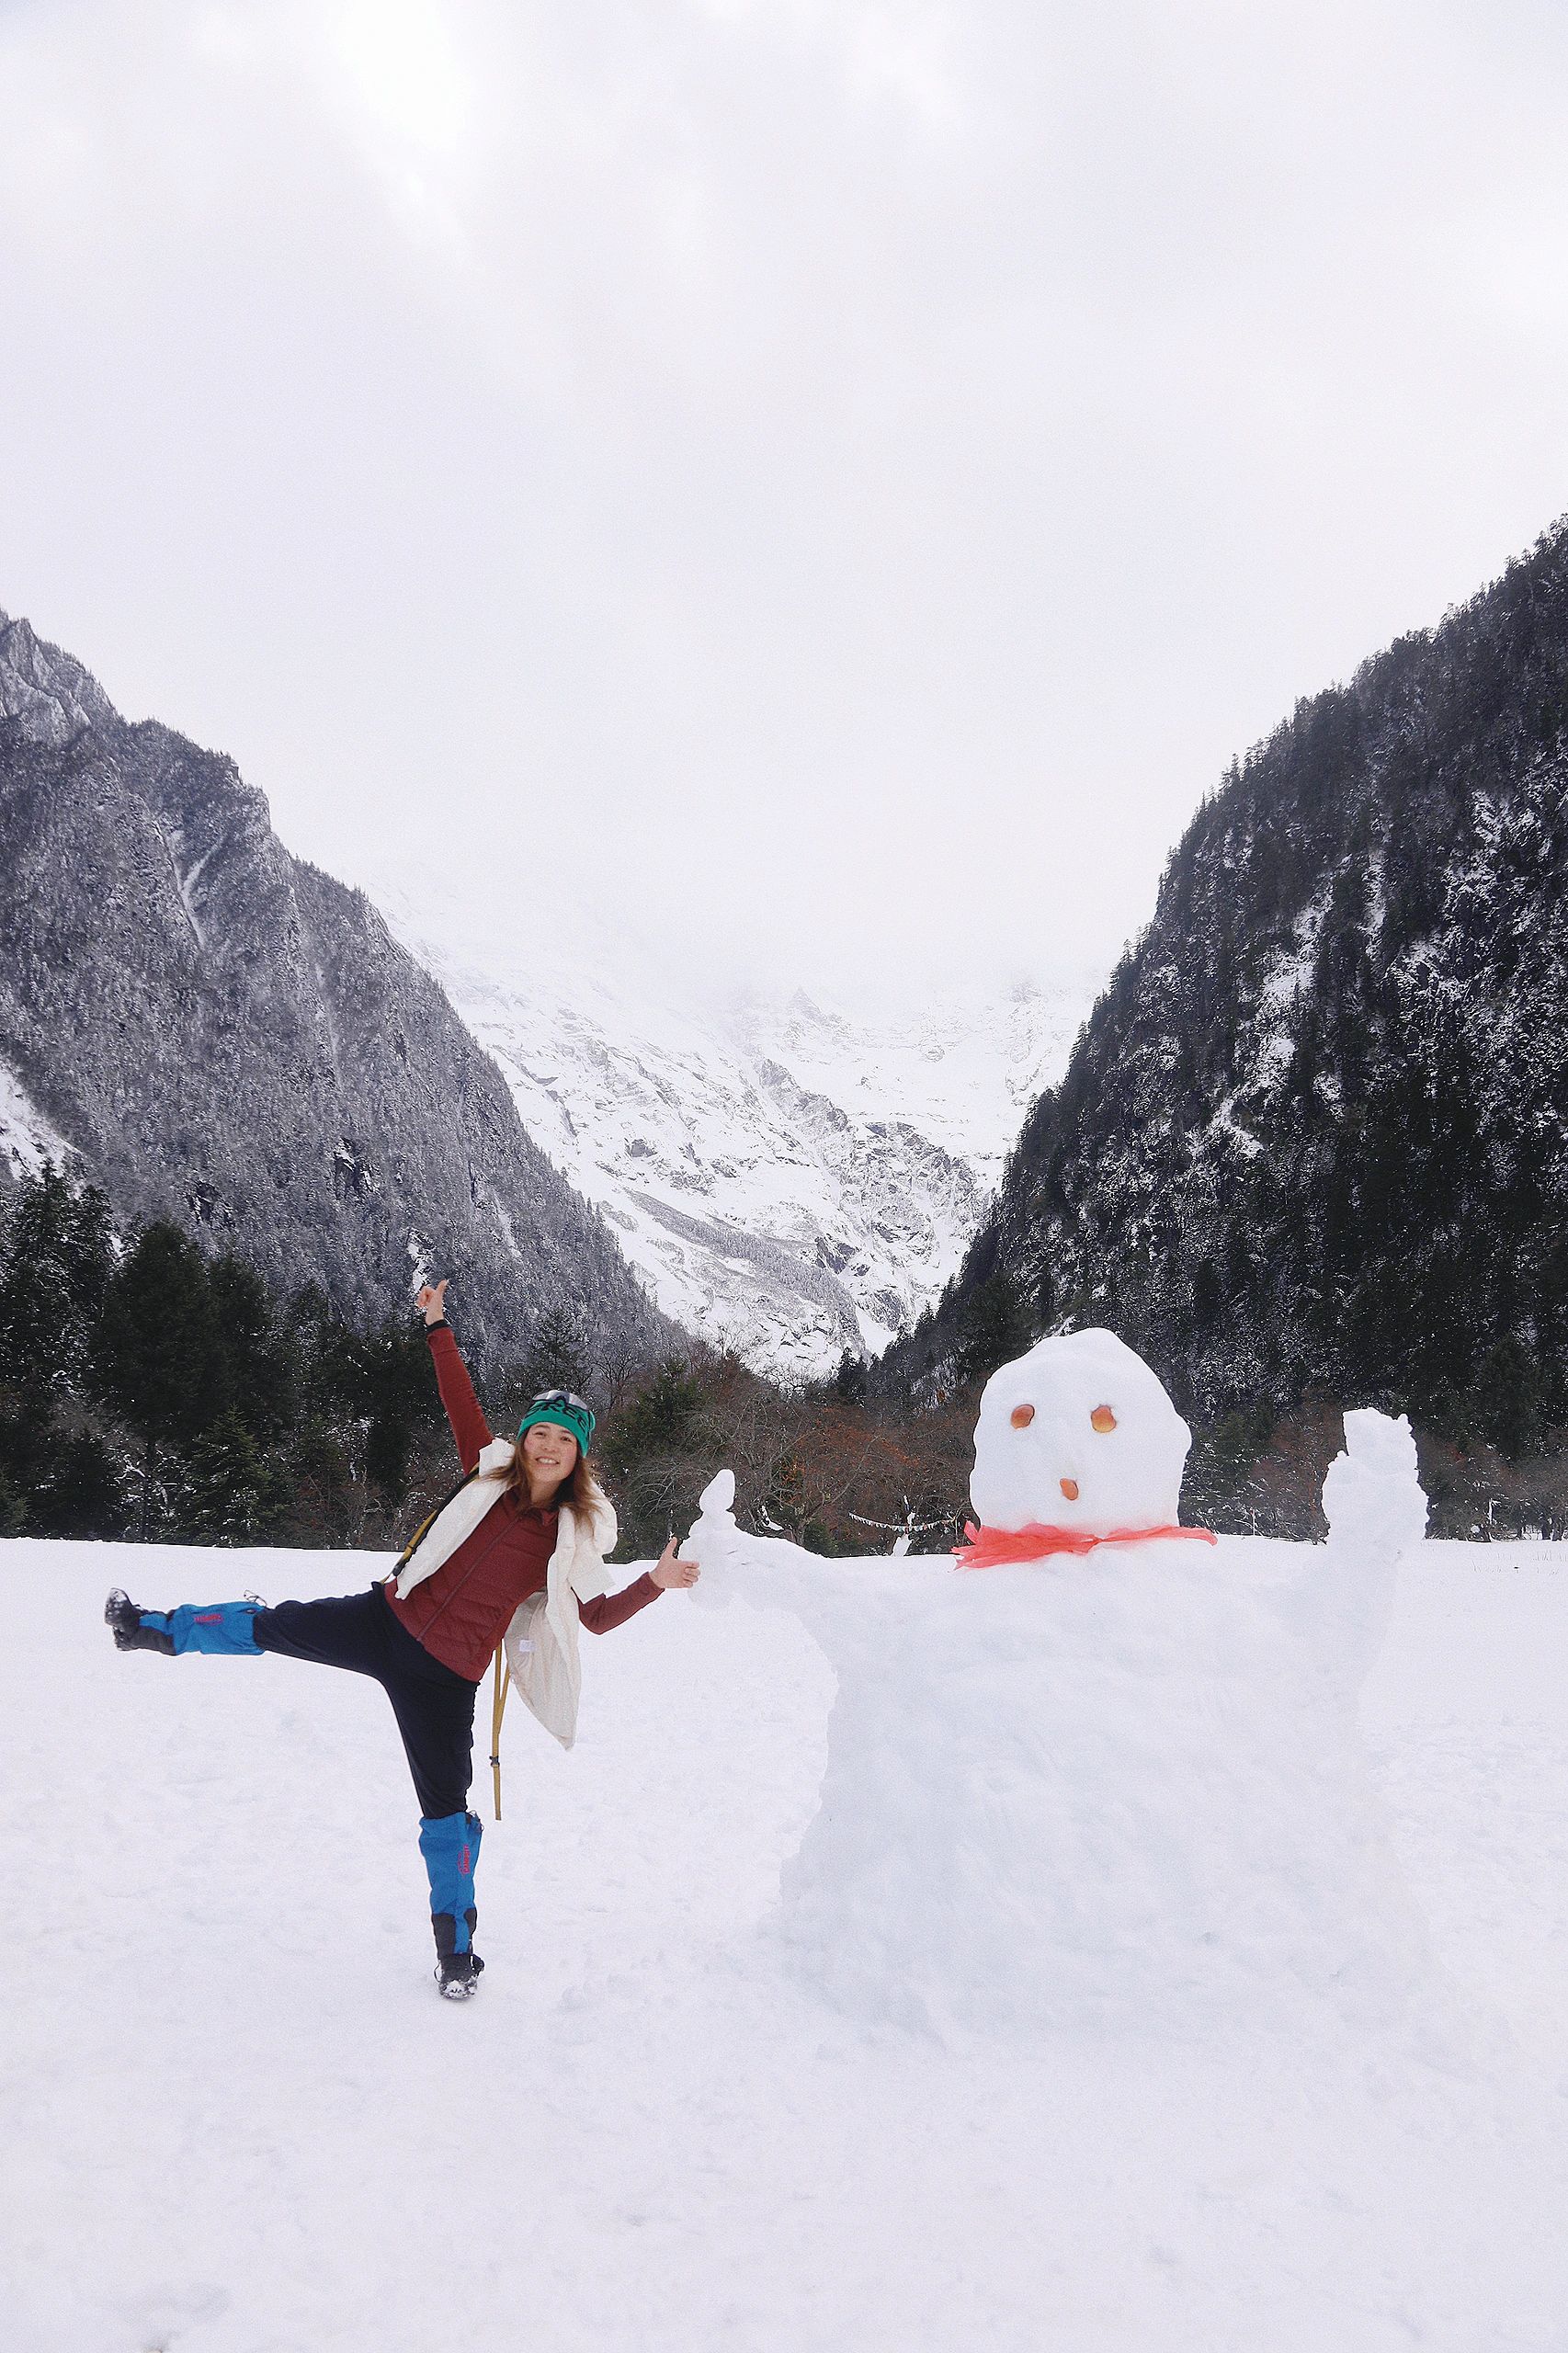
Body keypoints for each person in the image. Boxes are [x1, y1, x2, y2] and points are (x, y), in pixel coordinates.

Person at [105, 1279, 700, 1999]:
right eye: (539, 1432)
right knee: (269, 1624)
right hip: (384, 1619)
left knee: (445, 1812)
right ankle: (153, 1631)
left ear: (579, 1458)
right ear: (526, 1439)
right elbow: (459, 1399)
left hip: (444, 1680)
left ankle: (456, 1950)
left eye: (563, 1440)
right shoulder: (485, 1472)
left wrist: (656, 1583)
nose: (547, 1446)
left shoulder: (568, 1542)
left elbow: (596, 1619)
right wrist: (436, 1324)